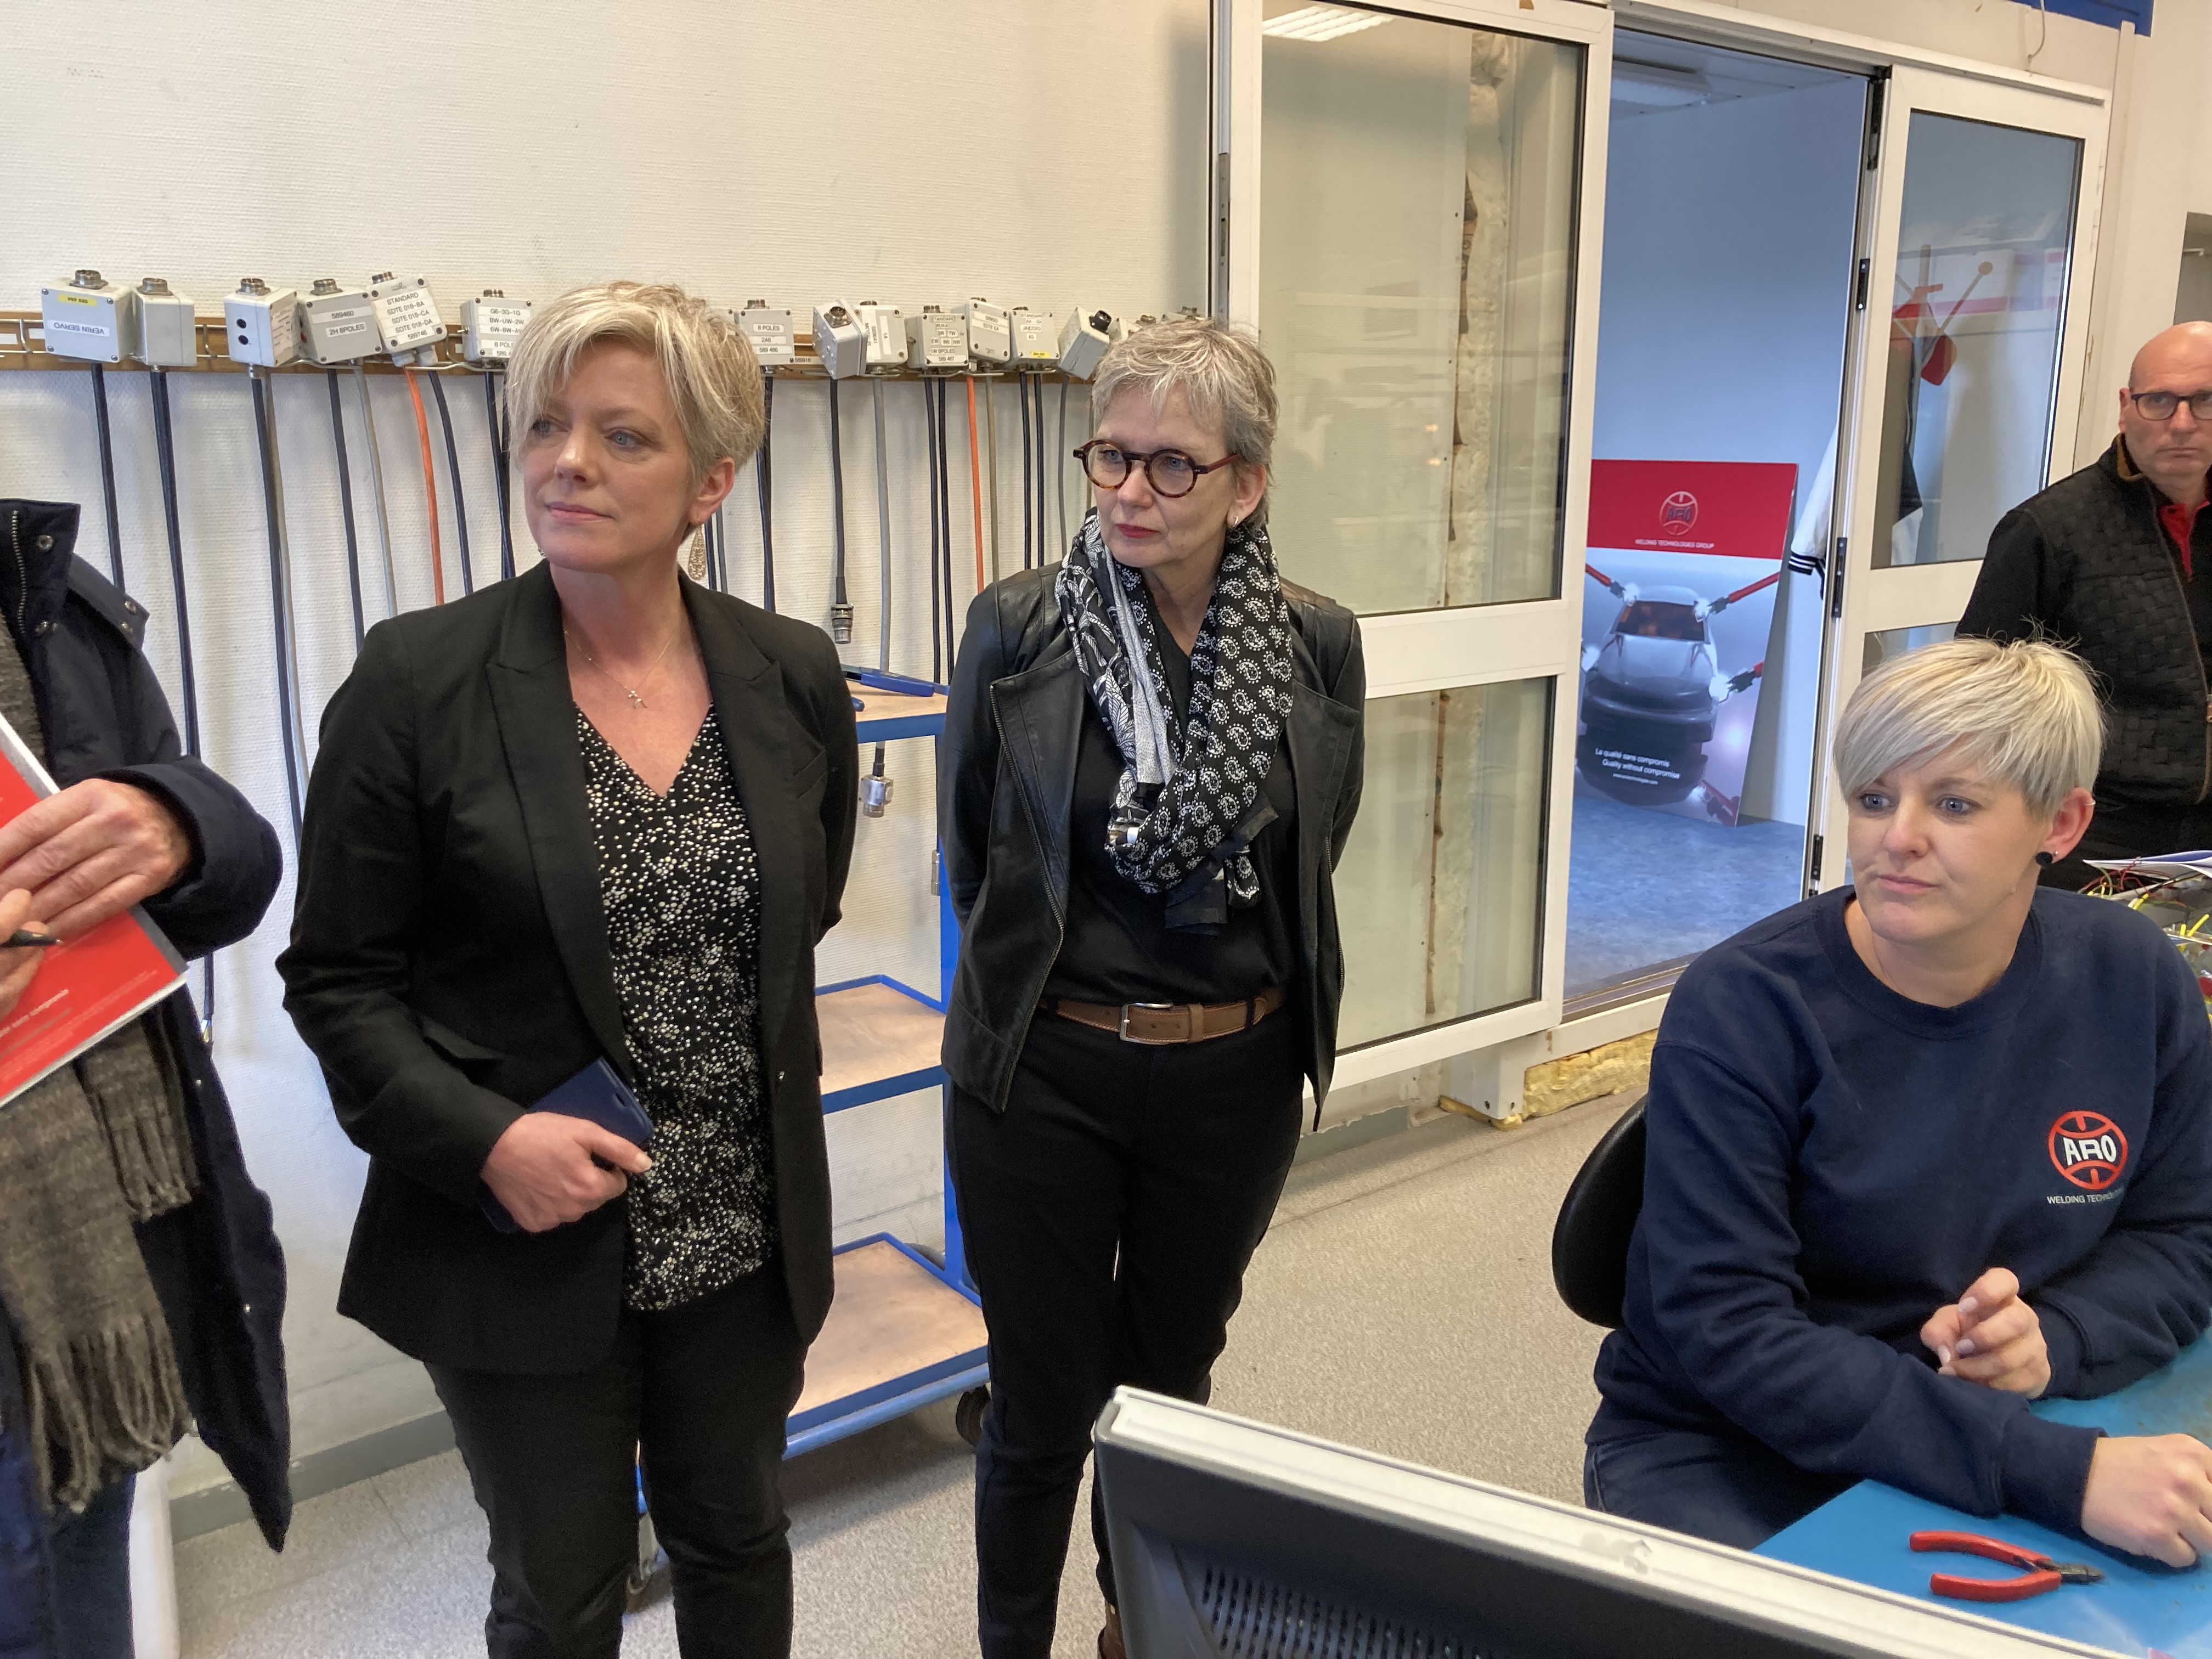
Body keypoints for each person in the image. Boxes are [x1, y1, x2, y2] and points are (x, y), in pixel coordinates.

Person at [279, 283, 856, 1659]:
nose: (567, 462)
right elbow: (337, 978)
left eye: (623, 435)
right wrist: (487, 1142)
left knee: (739, 1539)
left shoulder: (789, 674)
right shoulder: (418, 683)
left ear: (712, 479)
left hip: (739, 1229)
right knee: (561, 1593)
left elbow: (804, 910)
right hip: (522, 1242)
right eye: (545, 426)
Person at [1585, 637, 2212, 1561]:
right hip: (1735, 1446)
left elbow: (2183, 1232)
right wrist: (2053, 1471)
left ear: (2063, 822)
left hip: (2007, 1408)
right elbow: (1730, 1328)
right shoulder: (1745, 1005)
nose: (1897, 838)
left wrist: (2055, 1338)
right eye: (1875, 798)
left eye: (1954, 804)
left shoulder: (2131, 976)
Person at [940, 315, 1365, 1659]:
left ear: (1246, 484)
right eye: (1111, 456)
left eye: (1172, 464)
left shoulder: (1316, 643)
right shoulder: (1018, 629)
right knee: (1039, 1401)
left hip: (1235, 1072)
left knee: (1168, 1386)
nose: (1131, 489)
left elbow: (1314, 845)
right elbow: (975, 857)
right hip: (1046, 1069)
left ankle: (1140, 1627)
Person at [0, 501, 289, 1659]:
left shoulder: (43, 593)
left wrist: (179, 822)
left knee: (78, 1600)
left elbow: (233, 871)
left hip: (85, 1294)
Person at [1958, 320, 2212, 885]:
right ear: (2126, 408)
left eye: (2205, 401)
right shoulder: (2047, 530)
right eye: (2159, 401)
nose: (2182, 423)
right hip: (2095, 828)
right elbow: (1981, 695)